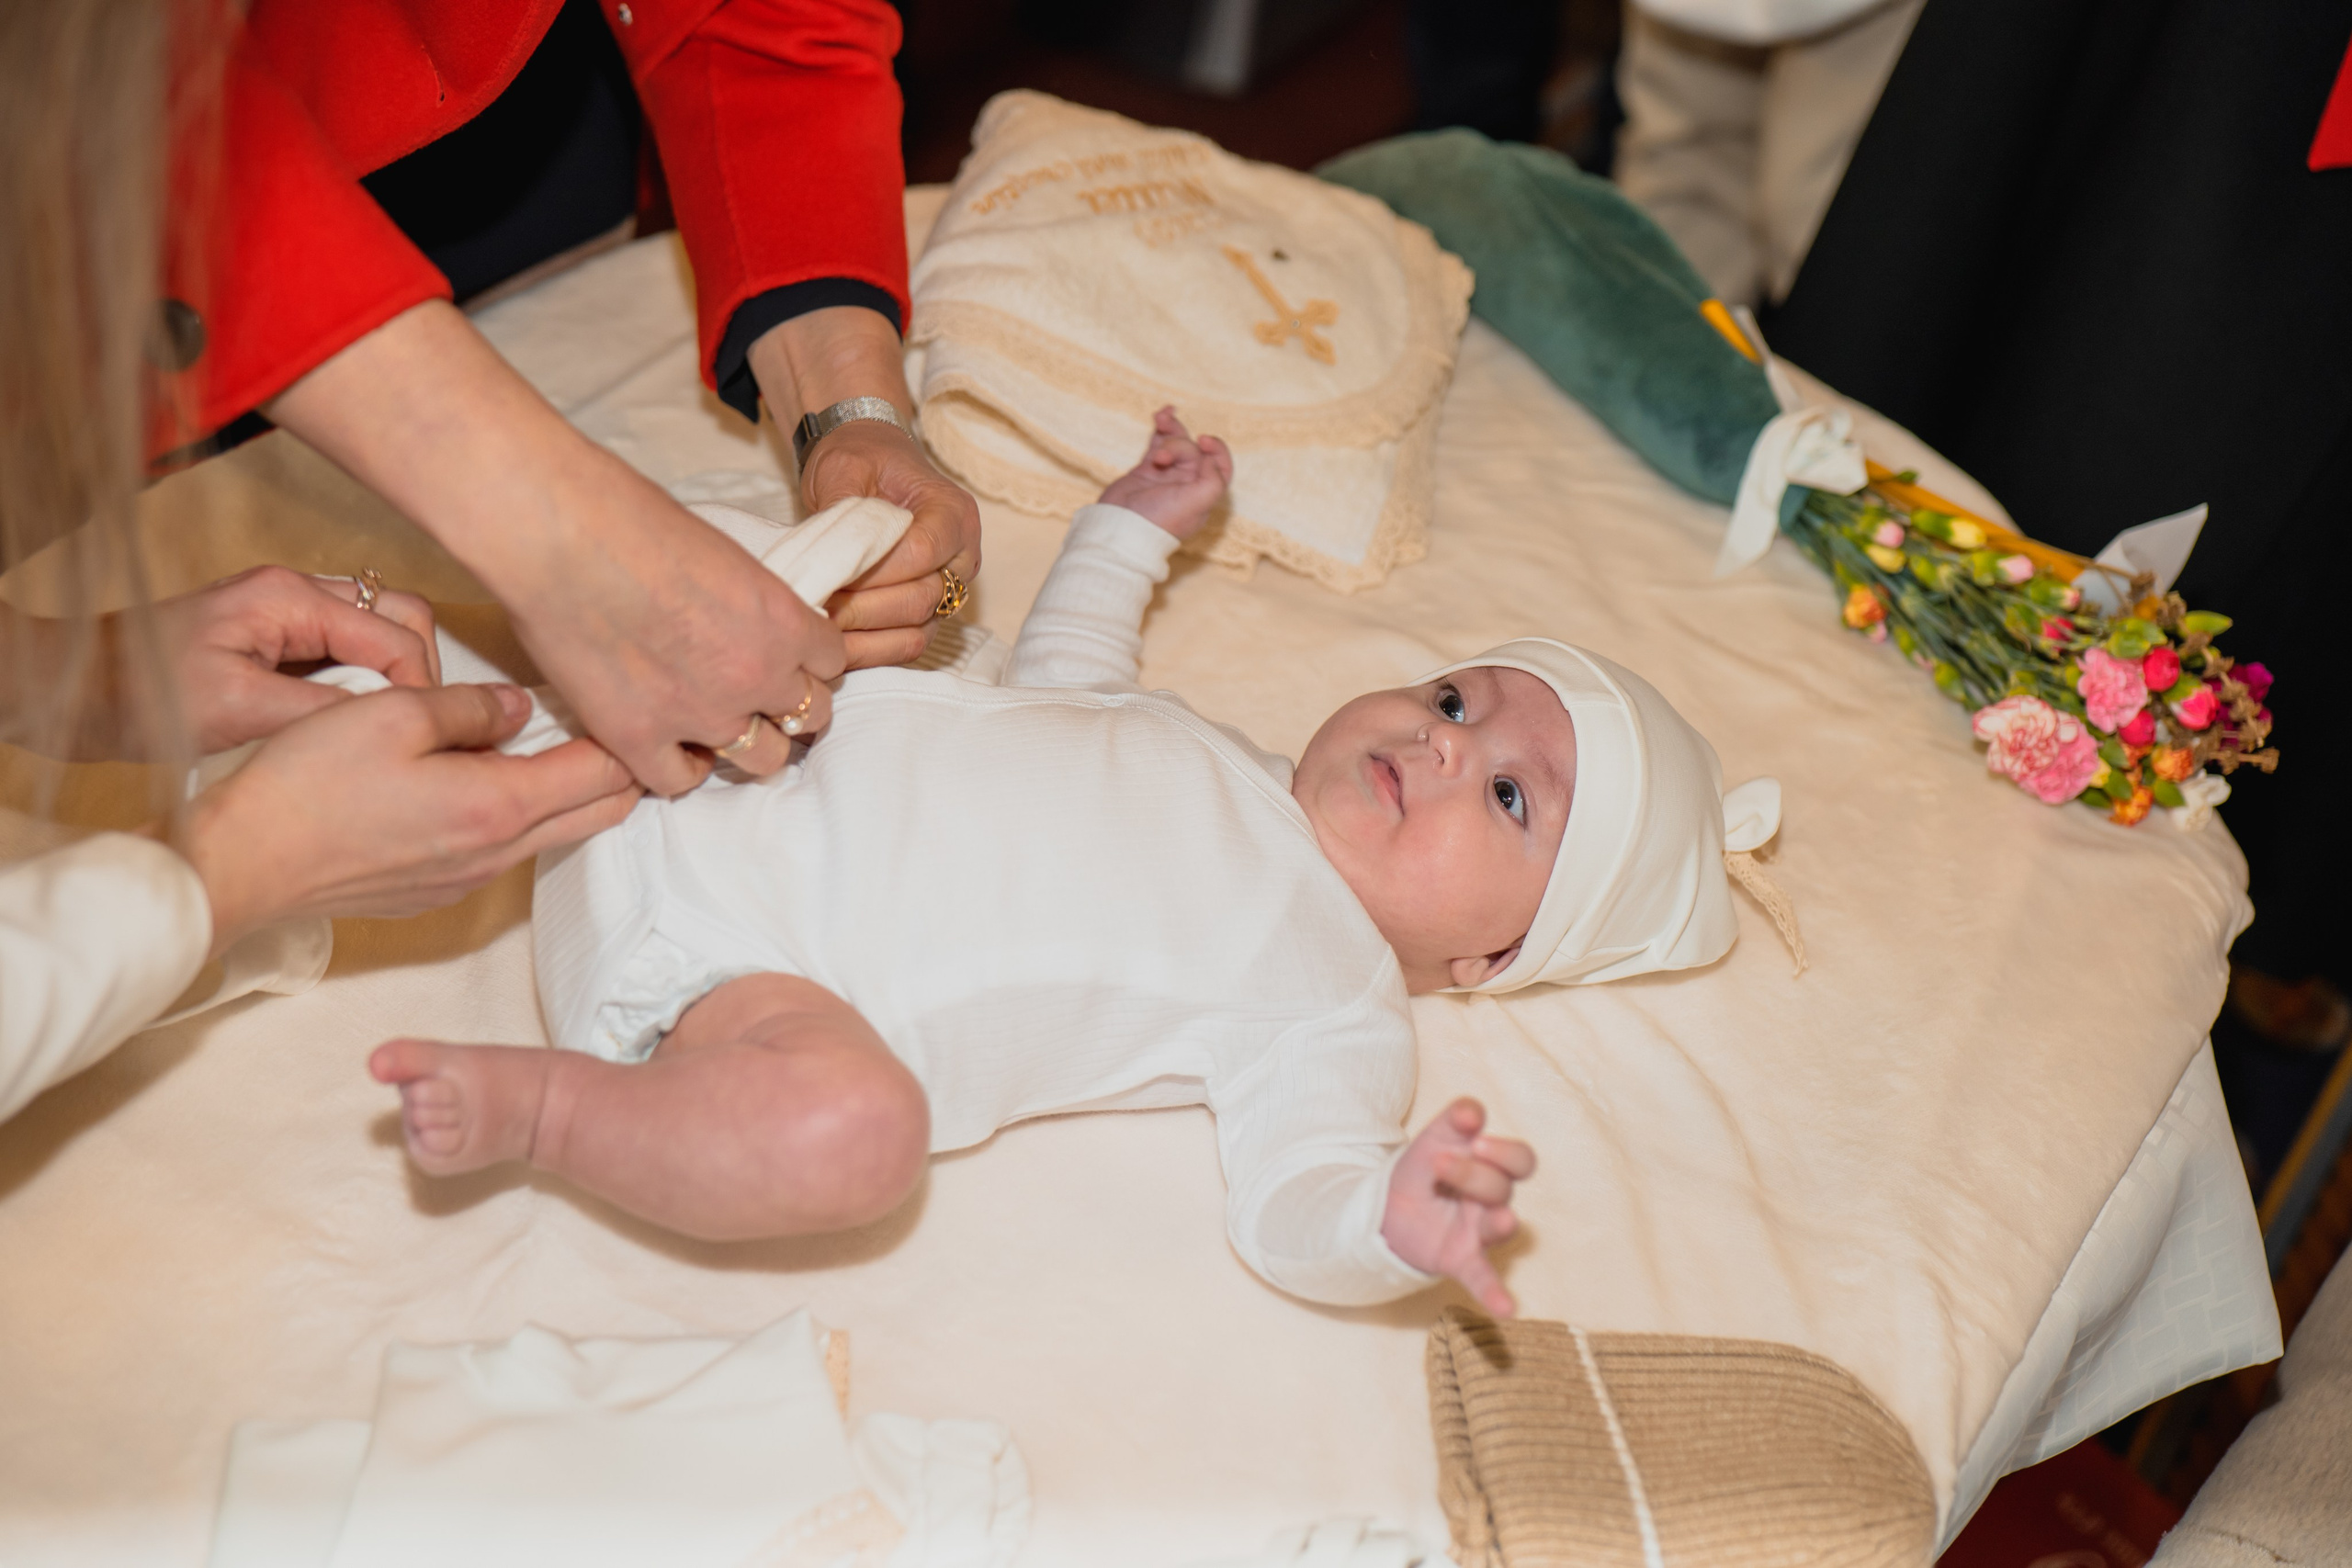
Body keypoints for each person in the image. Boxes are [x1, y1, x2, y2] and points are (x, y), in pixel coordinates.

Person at [371, 412, 1781, 1314]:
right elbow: (1067, 683)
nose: (1446, 743)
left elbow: (1293, 1196)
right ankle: (393, 656)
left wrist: (1385, 1222)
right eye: (1458, 699)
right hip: (703, 733)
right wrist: (1125, 535)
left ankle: (547, 1116)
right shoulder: (1218, 752)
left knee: (857, 1137)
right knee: (754, 550)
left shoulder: (1336, 1001)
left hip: (729, 982)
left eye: (1513, 797)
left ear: (1488, 958)